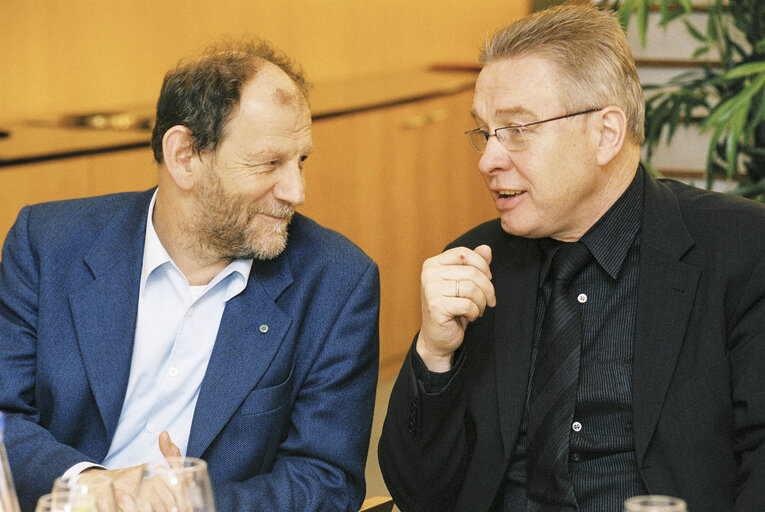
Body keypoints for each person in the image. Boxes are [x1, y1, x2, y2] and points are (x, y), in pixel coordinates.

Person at [378, 5, 765, 512]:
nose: (488, 160)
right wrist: (434, 354)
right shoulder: (474, 265)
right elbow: (419, 494)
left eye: (517, 129)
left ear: (605, 134)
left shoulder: (739, 249)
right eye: (485, 132)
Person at [0, 39, 380, 512]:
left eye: (300, 160)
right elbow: (4, 414)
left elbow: (325, 480)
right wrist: (90, 483)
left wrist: (194, 504)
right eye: (269, 163)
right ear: (184, 156)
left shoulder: (337, 282)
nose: (296, 191)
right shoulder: (47, 244)